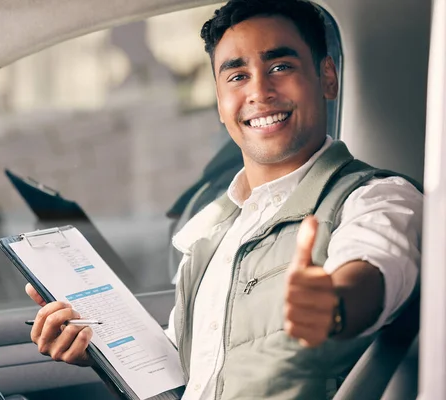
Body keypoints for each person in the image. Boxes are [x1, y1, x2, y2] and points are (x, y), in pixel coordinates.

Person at [24, 0, 423, 399]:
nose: (259, 92)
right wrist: (96, 344)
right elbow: (191, 370)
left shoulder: (378, 198)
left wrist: (334, 304)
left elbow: (374, 268)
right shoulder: (213, 229)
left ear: (327, 78)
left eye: (280, 67)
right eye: (237, 75)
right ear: (219, 100)